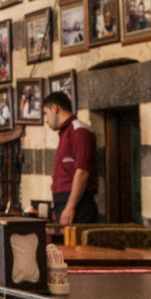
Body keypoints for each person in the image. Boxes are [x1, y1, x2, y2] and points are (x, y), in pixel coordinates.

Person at [43, 90, 101, 225]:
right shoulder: (65, 132)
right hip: (63, 201)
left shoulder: (79, 130)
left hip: (78, 204)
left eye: (46, 113)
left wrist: (70, 207)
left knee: (75, 246)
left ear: (55, 108)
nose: (46, 120)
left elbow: (82, 172)